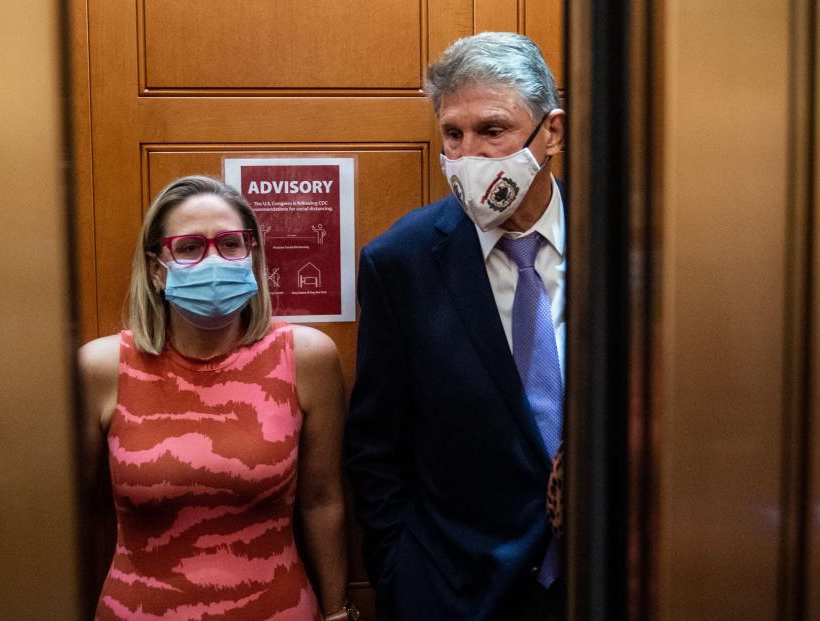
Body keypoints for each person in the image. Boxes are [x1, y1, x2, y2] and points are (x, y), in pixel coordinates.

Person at [345, 32, 568, 620]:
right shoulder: (401, 262)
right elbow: (376, 445)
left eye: (493, 131)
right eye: (453, 133)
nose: (468, 155)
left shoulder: (626, 247)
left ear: (552, 133)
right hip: (455, 590)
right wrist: (400, 574)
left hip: (610, 579)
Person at [80, 176, 357, 620]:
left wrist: (338, 611)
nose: (213, 259)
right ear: (155, 268)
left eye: (230, 244)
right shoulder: (101, 368)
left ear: (252, 256)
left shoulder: (305, 357)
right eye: (189, 247)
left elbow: (323, 501)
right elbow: (76, 515)